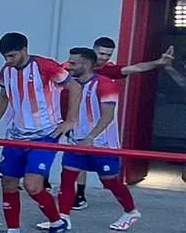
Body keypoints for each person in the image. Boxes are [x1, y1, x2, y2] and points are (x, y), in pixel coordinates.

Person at [0, 31, 78, 233]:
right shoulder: (6, 71)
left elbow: (74, 86)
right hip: (16, 135)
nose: (9, 61)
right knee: (8, 181)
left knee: (32, 186)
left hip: (45, 134)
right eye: (6, 57)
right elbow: (4, 97)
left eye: (12, 56)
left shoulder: (45, 66)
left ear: (25, 50)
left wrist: (70, 121)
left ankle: (57, 222)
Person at [69, 37, 174, 207]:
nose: (103, 58)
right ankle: (78, 197)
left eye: (108, 55)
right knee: (75, 161)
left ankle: (129, 208)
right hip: (77, 121)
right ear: (92, 51)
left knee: (107, 175)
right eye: (101, 53)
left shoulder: (109, 70)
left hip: (99, 124)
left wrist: (158, 62)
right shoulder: (74, 67)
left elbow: (135, 68)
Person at [57, 47, 138, 231]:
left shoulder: (106, 84)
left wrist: (91, 137)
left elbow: (107, 116)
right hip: (77, 141)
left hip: (103, 144)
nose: (68, 66)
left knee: (109, 181)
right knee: (67, 177)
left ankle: (131, 211)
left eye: (73, 63)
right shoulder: (72, 85)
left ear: (85, 64)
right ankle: (62, 218)